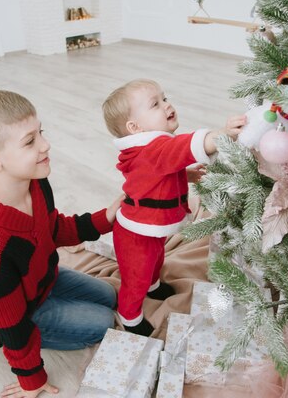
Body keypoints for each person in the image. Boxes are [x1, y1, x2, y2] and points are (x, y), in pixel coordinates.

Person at [0, 90, 122, 398]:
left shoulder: (35, 181)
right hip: (12, 316)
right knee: (104, 321)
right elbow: (8, 319)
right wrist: (31, 378)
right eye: (30, 141)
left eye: (40, 133)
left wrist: (105, 218)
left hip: (41, 283)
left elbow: (54, 228)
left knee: (110, 294)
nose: (45, 145)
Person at [102, 79, 247, 336]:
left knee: (156, 258)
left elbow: (156, 175)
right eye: (155, 104)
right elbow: (185, 147)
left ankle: (154, 285)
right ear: (135, 127)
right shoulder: (154, 148)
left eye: (165, 98)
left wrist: (186, 175)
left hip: (150, 227)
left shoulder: (148, 150)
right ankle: (130, 316)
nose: (167, 105)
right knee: (136, 278)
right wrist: (223, 135)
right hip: (137, 234)